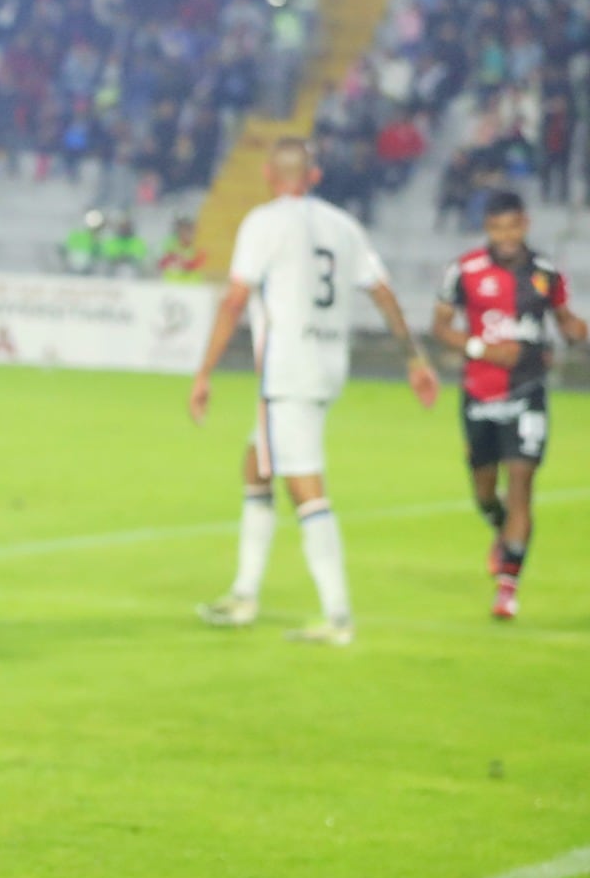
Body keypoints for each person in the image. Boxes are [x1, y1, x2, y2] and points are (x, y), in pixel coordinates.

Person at [189, 139, 439, 644]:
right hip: (328, 364)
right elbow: (383, 291)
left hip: (289, 369)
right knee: (257, 464)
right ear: (315, 175)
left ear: (267, 175)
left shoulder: (264, 222)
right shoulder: (342, 225)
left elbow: (236, 298)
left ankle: (338, 616)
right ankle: (244, 593)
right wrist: (414, 357)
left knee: (304, 486)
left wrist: (204, 372)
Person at [432, 190, 586, 620]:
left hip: (527, 391)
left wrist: (575, 329)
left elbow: (563, 319)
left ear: (525, 224)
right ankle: (501, 532)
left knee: (520, 485)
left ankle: (507, 590)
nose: (505, 236)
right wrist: (482, 347)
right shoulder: (464, 271)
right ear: (488, 228)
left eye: (512, 227)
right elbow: (440, 326)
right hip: (479, 394)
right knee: (484, 493)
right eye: (497, 228)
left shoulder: (545, 273)